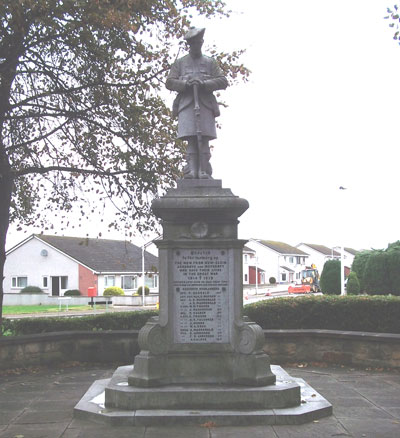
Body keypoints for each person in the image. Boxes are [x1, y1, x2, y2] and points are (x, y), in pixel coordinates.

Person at [166, 27, 228, 179]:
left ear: (202, 43)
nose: (197, 45)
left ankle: (204, 171)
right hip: (186, 104)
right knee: (192, 138)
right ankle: (192, 170)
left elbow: (223, 81)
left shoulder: (210, 62)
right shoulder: (180, 63)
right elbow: (170, 82)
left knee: (204, 138)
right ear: (190, 45)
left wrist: (204, 83)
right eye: (194, 43)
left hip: (205, 104)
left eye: (199, 42)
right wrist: (186, 83)